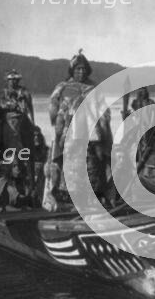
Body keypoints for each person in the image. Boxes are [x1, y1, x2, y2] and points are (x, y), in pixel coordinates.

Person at [45, 49, 112, 208]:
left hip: (91, 134)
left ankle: (92, 199)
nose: (81, 72)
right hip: (70, 132)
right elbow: (55, 109)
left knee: (92, 165)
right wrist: (59, 129)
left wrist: (103, 127)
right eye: (77, 69)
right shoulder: (63, 87)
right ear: (72, 70)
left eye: (83, 69)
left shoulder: (93, 87)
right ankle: (70, 200)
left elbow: (102, 109)